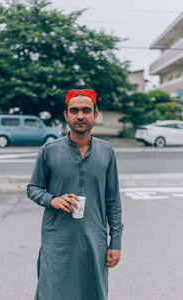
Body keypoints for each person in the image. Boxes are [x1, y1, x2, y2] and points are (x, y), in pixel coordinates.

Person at [27, 89, 124, 300]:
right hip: (57, 241)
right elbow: (33, 188)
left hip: (94, 241)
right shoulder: (49, 150)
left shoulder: (106, 152)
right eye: (74, 110)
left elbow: (113, 200)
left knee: (92, 293)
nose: (80, 115)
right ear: (66, 115)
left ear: (95, 115)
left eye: (86, 110)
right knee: (52, 292)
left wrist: (115, 242)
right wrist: (52, 199)